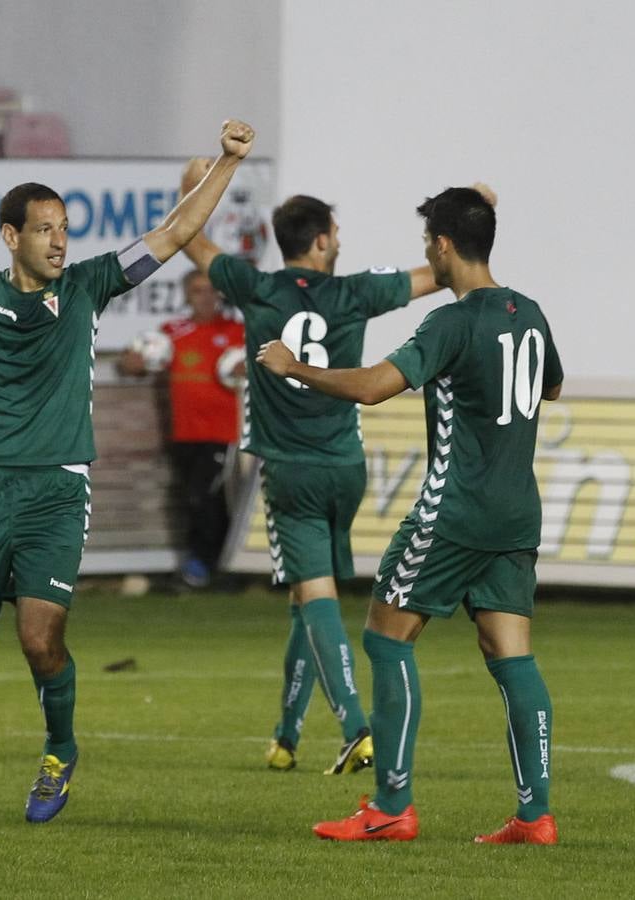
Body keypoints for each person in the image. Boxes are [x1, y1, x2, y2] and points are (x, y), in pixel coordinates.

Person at [0, 117, 255, 827]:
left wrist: (227, 161)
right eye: (44, 229)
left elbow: (173, 234)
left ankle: (61, 749)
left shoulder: (91, 284)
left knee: (40, 640)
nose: (60, 240)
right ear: (12, 237)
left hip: (57, 489)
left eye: (64, 228)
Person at [257, 186, 563, 844]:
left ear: (444, 246)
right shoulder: (530, 313)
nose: (427, 252)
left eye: (428, 242)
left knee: (386, 638)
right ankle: (534, 815)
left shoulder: (451, 323)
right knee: (511, 655)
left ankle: (391, 804)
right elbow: (552, 385)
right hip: (516, 512)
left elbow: (372, 387)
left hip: (453, 510)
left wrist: (295, 367)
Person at [178, 162, 474, 776]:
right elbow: (439, 275)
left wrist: (191, 187)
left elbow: (189, 239)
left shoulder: (255, 286)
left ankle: (355, 729)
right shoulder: (354, 293)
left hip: (291, 472)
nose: (339, 242)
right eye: (335, 234)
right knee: (305, 601)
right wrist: (473, 217)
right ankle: (286, 735)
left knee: (315, 597)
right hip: (344, 467)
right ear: (319, 241)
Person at [117, 268, 246, 588]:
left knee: (207, 496)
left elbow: (265, 366)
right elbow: (137, 364)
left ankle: (205, 567)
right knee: (195, 498)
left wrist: (250, 369)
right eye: (198, 290)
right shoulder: (172, 332)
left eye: (211, 290)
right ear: (187, 295)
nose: (206, 297)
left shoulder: (237, 331)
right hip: (184, 433)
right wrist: (130, 363)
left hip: (224, 434)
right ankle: (215, 570)